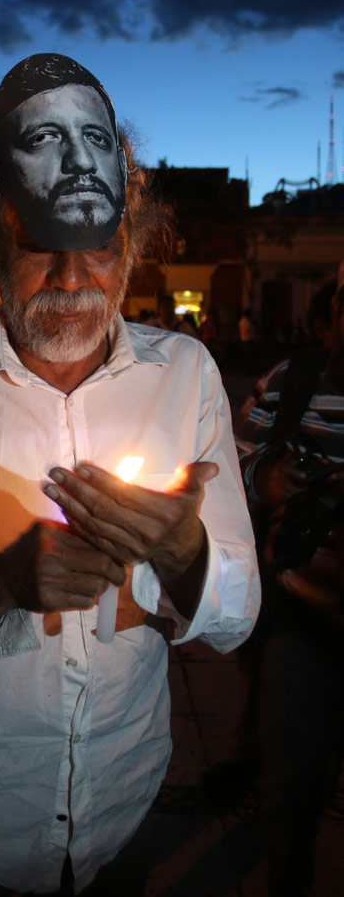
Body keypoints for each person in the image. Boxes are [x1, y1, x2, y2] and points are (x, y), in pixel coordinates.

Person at [0, 53, 260, 897]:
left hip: (120, 816)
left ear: (132, 247)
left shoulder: (187, 376)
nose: (73, 279)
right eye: (41, 248)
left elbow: (238, 617)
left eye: (98, 247)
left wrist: (184, 553)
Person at [228, 265, 344, 897]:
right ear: (331, 316)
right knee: (291, 787)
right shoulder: (289, 384)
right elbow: (229, 467)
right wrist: (266, 484)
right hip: (301, 616)